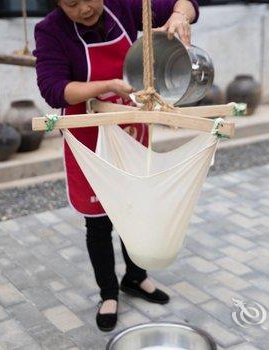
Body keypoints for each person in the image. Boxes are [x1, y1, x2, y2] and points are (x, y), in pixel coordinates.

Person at [33, 0, 199, 332]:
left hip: (130, 130)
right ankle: (108, 292)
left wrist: (179, 16)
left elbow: (187, 3)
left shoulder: (123, 7)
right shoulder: (50, 30)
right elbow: (54, 89)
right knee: (98, 223)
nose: (83, 9)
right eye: (71, 3)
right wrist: (107, 86)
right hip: (88, 137)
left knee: (134, 207)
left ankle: (135, 278)